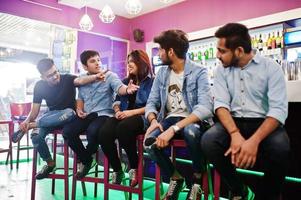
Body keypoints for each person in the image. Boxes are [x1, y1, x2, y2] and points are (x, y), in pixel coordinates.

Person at [201, 23, 290, 200]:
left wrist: (254, 141)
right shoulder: (221, 70)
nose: (217, 55)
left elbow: (278, 110)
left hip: (263, 122)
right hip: (233, 121)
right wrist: (234, 133)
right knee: (208, 141)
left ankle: (267, 196)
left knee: (281, 148)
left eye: (222, 51)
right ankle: (238, 189)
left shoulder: (271, 67)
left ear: (239, 51)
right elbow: (220, 105)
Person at [143, 30, 213, 200]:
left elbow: (205, 108)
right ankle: (175, 177)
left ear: (171, 51)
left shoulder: (199, 72)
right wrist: (152, 120)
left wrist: (173, 129)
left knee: (191, 132)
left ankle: (197, 180)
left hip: (192, 119)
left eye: (160, 49)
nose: (159, 53)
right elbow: (151, 102)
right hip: (169, 119)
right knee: (149, 143)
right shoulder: (162, 73)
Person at [14, 58, 106, 180]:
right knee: (35, 136)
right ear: (42, 77)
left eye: (55, 72)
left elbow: (81, 80)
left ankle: (35, 125)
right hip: (51, 117)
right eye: (50, 76)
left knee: (69, 113)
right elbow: (35, 110)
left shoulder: (68, 78)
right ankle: (50, 163)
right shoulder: (39, 86)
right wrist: (26, 121)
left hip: (69, 116)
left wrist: (95, 77)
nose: (55, 76)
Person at [63, 50, 138, 179]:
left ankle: (86, 161)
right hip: (88, 115)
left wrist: (127, 89)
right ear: (85, 66)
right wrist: (79, 109)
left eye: (98, 60)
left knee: (93, 131)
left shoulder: (109, 75)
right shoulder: (82, 79)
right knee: (67, 131)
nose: (98, 63)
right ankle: (87, 160)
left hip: (104, 114)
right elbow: (80, 98)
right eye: (93, 61)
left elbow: (119, 87)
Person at [98, 50, 153, 186]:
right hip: (124, 116)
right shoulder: (125, 81)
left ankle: (134, 167)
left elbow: (154, 106)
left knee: (124, 128)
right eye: (128, 62)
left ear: (142, 62)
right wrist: (117, 111)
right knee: (104, 132)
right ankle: (117, 169)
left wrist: (130, 113)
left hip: (142, 117)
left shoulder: (152, 82)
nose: (129, 65)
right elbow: (116, 101)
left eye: (132, 62)